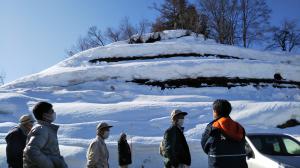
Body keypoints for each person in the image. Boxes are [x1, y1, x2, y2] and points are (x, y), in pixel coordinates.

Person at [201, 99, 248, 168]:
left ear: (215, 111)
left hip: (218, 164)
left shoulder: (213, 126)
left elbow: (204, 145)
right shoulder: (239, 127)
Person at [23, 101, 68, 168]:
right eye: (51, 111)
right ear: (45, 115)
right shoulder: (41, 129)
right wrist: (49, 165)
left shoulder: (45, 128)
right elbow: (31, 150)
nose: (53, 113)